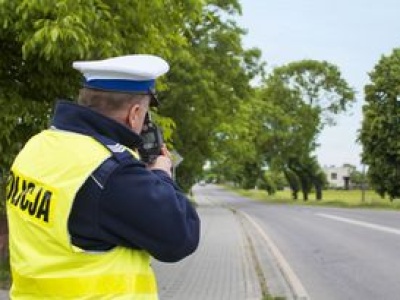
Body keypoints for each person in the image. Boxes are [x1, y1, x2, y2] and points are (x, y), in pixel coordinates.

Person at [6, 54, 200, 299]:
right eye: (146, 114)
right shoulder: (111, 172)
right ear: (135, 113)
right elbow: (180, 236)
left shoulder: (37, 146)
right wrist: (161, 174)